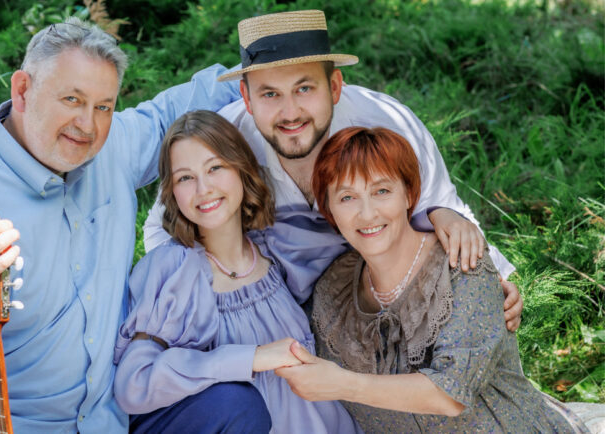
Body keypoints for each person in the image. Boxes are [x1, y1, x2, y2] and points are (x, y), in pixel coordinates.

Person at [0, 18, 243, 432]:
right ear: (22, 91)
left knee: (235, 406)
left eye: (103, 106)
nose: (88, 124)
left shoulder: (112, 146)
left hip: (110, 414)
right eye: (71, 99)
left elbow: (172, 111)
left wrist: (265, 69)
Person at [142, 10, 524, 329]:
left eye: (305, 89)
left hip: (371, 297)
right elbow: (162, 227)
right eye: (270, 94)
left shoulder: (386, 124)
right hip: (267, 308)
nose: (290, 113)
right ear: (247, 97)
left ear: (335, 86)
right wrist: (207, 295)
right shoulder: (222, 143)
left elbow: (443, 205)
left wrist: (487, 279)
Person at [274, 126, 588, 433]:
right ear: (329, 209)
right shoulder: (334, 289)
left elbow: (450, 394)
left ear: (409, 194)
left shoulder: (461, 264)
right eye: (347, 197)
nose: (367, 214)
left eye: (381, 191)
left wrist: (343, 384)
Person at [113, 110, 362, 433]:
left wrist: (430, 216)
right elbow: (134, 384)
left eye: (215, 168)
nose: (203, 188)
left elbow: (363, 231)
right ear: (172, 191)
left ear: (241, 168)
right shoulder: (175, 271)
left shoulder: (277, 246)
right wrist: (251, 358)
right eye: (185, 178)